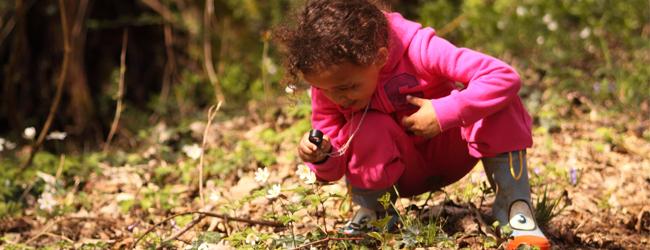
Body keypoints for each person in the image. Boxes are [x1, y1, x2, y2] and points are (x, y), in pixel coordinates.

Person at [276, 0, 550, 249]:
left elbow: (503, 76)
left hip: (453, 151)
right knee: (368, 124)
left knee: (500, 102)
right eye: (326, 90)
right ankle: (374, 215)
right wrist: (322, 155)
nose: (338, 98)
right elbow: (333, 167)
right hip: (399, 175)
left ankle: (514, 208)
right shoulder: (329, 86)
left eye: (348, 87)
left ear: (379, 58)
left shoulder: (419, 48)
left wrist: (444, 112)